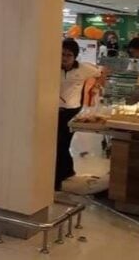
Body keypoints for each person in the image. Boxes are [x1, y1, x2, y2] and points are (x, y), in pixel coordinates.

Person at [56, 39, 101, 191]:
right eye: (62, 54)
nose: (64, 58)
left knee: (61, 143)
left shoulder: (83, 68)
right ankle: (67, 171)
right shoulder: (52, 66)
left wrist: (95, 87)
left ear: (75, 56)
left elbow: (102, 72)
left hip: (71, 112)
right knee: (59, 144)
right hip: (54, 110)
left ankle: (58, 178)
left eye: (69, 55)